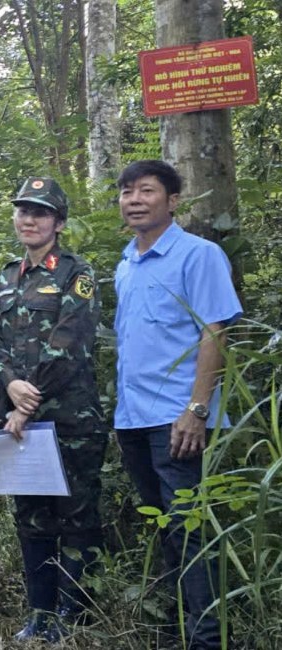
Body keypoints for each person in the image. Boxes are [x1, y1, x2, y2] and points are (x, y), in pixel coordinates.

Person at [113, 160, 241, 649]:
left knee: (191, 533)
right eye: (127, 191)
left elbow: (215, 330)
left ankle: (207, 639)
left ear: (173, 201)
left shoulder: (197, 254)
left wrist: (197, 408)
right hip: (133, 417)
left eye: (147, 190)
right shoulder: (127, 262)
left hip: (178, 417)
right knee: (164, 530)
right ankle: (179, 629)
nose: (135, 199)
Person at [0, 177, 106, 642]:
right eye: (22, 211)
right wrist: (10, 384)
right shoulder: (6, 276)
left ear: (58, 221)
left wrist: (25, 403)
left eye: (40, 212)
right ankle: (41, 613)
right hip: (18, 421)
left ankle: (73, 617)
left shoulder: (77, 274)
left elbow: (68, 345)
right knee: (31, 517)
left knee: (75, 517)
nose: (29, 219)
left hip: (69, 419)